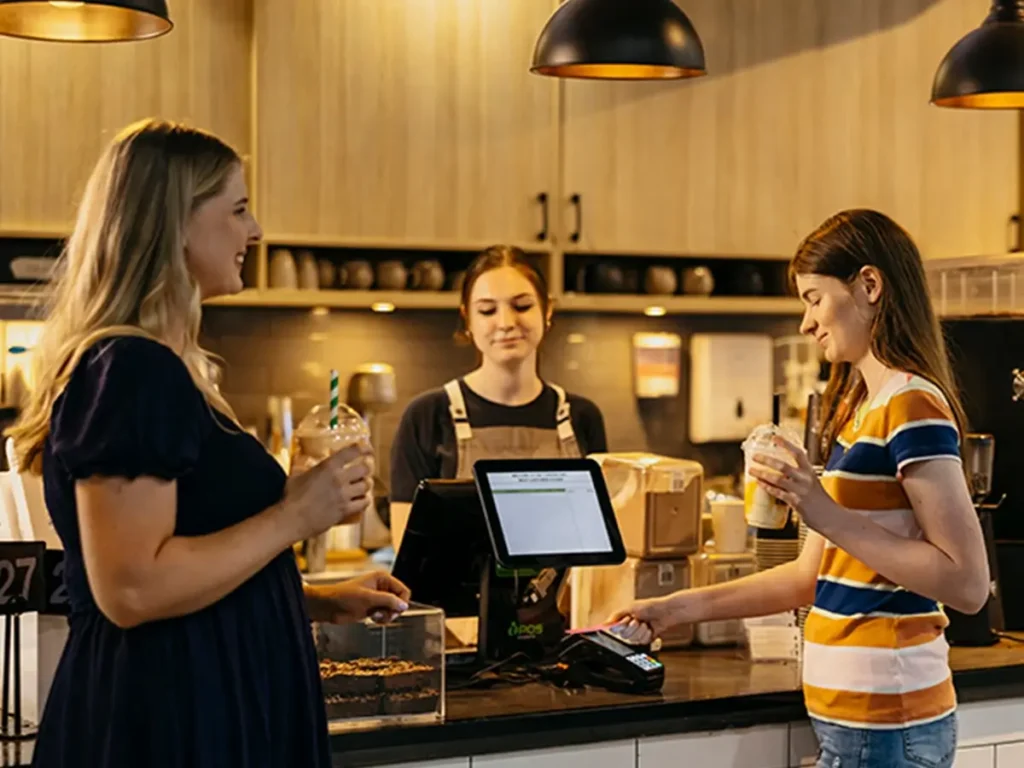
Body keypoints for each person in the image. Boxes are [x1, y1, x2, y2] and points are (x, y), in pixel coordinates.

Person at [10, 119, 410, 768]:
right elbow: (132, 589)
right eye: (240, 209)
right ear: (174, 223)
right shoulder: (131, 369)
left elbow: (187, 561)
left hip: (207, 693)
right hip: (170, 714)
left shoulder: (170, 367)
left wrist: (314, 599)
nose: (255, 231)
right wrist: (295, 516)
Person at [610, 210, 990, 768]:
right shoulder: (864, 409)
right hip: (857, 725)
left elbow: (967, 582)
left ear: (869, 285)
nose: (807, 322)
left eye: (813, 297)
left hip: (890, 723)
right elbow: (809, 578)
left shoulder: (913, 407)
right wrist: (676, 609)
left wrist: (821, 508)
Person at [388, 245, 608, 551]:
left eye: (522, 306)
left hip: (564, 600)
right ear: (467, 319)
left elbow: (597, 542)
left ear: (547, 311)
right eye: (487, 310)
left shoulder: (580, 417)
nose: (505, 322)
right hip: (457, 600)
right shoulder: (428, 415)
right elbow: (408, 553)